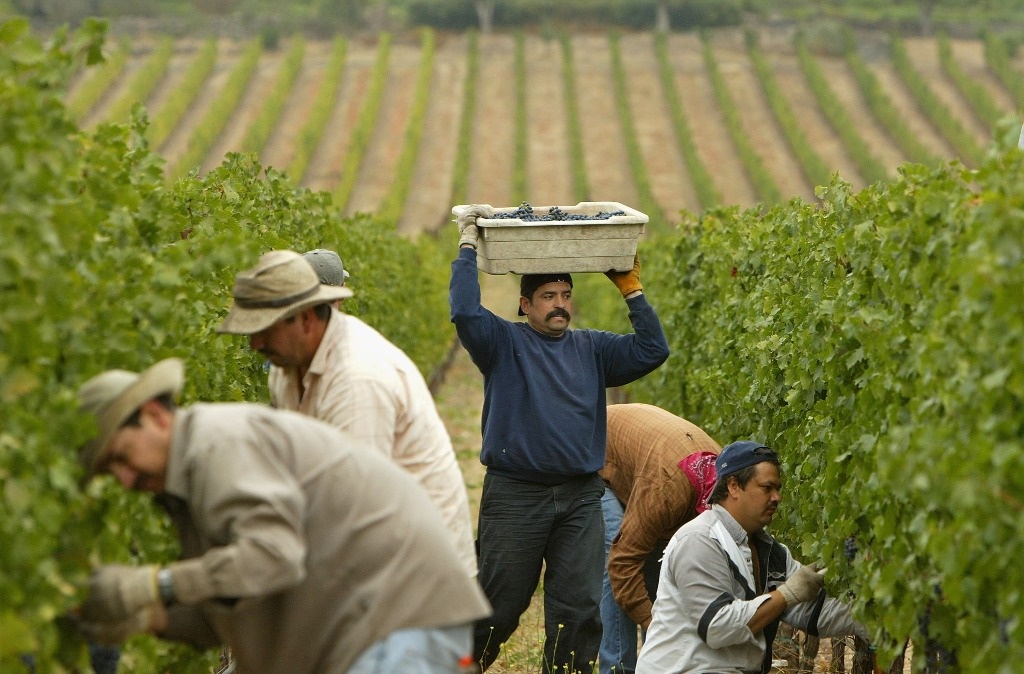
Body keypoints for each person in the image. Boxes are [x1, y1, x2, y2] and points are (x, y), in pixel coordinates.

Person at [71, 358, 491, 673]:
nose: (124, 478)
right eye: (111, 471)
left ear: (155, 416)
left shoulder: (216, 444)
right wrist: (145, 617)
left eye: (121, 457)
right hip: (371, 629)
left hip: (396, 625)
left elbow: (272, 557)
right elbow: (233, 598)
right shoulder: (185, 483)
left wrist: (153, 584)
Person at [450, 205, 670, 673]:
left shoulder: (593, 348)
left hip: (580, 498)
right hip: (515, 496)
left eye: (566, 295)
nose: (560, 304)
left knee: (578, 614)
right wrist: (468, 246)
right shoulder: (503, 344)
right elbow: (465, 312)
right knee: (499, 608)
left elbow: (654, 349)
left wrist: (631, 289)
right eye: (548, 295)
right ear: (525, 305)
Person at [218, 249, 477, 577]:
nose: (255, 344)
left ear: (307, 319)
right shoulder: (286, 368)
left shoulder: (357, 379)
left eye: (265, 330)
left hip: (417, 570)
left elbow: (355, 510)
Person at [635, 441, 869, 674]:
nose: (777, 497)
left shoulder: (772, 552)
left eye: (778, 488)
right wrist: (786, 595)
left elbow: (814, 612)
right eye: (767, 488)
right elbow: (717, 627)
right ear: (734, 486)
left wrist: (872, 616)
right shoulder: (700, 541)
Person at [598, 403, 721, 674]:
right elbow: (623, 563)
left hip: (650, 463)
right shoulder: (667, 492)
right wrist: (651, 622)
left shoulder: (733, 487)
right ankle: (617, 668)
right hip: (599, 453)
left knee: (661, 563)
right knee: (616, 550)